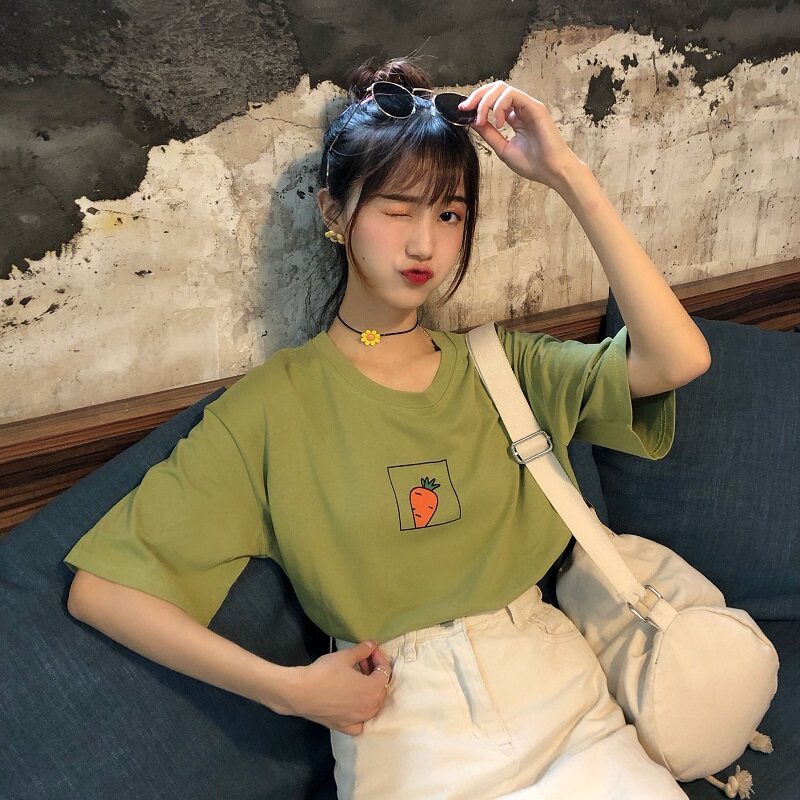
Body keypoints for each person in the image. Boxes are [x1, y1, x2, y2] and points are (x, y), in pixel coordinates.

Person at [64, 58, 710, 798]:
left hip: (564, 704)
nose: (424, 245)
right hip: (403, 732)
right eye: (397, 210)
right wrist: (287, 689)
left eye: (449, 214)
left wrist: (568, 176)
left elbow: (679, 359)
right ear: (334, 212)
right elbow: (102, 592)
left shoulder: (506, 368)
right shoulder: (272, 409)